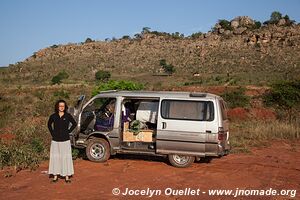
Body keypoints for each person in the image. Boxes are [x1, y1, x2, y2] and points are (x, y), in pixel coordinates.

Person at [47, 99, 77, 183]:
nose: (61, 107)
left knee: (66, 157)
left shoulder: (67, 115)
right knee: (55, 157)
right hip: (55, 140)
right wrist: (52, 133)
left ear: (65, 107)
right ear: (57, 106)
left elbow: (74, 124)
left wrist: (68, 131)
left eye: (63, 106)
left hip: (65, 140)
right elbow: (49, 124)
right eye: (60, 106)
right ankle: (55, 176)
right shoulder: (53, 116)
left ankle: (67, 177)